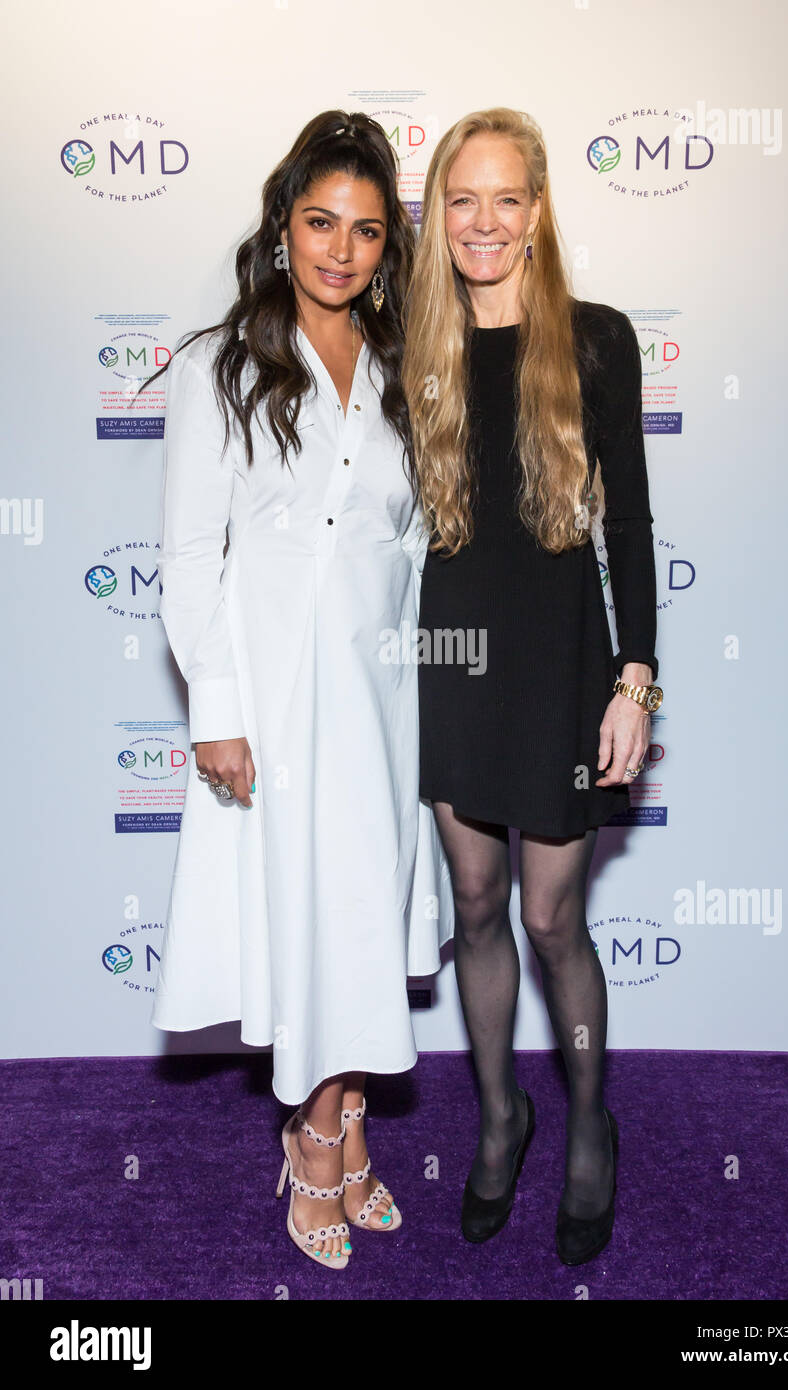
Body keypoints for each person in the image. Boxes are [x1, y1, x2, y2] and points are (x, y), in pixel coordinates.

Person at [147, 110, 454, 1271]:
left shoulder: (398, 381)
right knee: (307, 920)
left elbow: (416, 561)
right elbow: (187, 557)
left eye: (366, 230)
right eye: (320, 222)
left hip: (381, 704)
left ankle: (344, 1118)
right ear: (282, 228)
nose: (341, 248)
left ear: (386, 249)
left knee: (362, 915)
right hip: (271, 702)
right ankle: (317, 1133)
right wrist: (215, 706)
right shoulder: (215, 364)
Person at [402, 107, 663, 1265]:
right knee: (472, 910)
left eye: (506, 197)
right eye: (462, 197)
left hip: (562, 660)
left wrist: (633, 682)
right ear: (436, 213)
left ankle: (588, 1122)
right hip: (453, 655)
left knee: (553, 916)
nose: (484, 221)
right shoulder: (415, 344)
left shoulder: (597, 340)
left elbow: (636, 527)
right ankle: (500, 1118)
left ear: (539, 208)